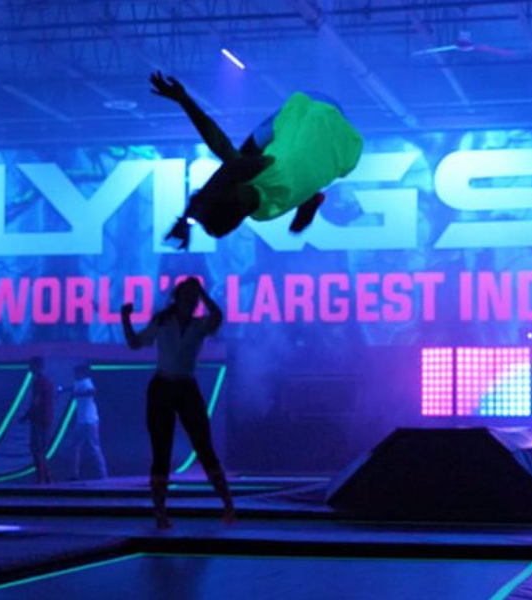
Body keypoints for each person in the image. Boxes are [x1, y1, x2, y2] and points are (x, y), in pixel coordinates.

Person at [149, 71, 364, 249]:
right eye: (229, 188)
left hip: (345, 140)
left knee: (264, 166)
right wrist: (184, 99)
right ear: (234, 195)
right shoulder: (264, 171)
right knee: (246, 154)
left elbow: (225, 165)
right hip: (316, 106)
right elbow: (225, 160)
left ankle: (309, 198)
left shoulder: (264, 214)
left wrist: (304, 213)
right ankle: (309, 199)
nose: (230, 183)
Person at [120, 277, 234, 529]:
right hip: (162, 387)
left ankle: (227, 503)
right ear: (178, 298)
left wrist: (202, 292)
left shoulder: (199, 325)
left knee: (204, 446)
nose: (191, 303)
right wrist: (125, 318)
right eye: (188, 297)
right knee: (162, 450)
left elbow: (217, 316)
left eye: (194, 299)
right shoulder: (162, 322)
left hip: (186, 386)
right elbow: (134, 343)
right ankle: (160, 511)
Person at [61, 363, 108, 480]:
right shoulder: (79, 382)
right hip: (82, 421)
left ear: (81, 373)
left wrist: (77, 394)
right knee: (76, 446)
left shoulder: (87, 381)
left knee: (94, 447)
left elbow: (92, 391)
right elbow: (74, 387)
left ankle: (103, 474)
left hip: (89, 420)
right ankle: (75, 474)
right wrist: (63, 389)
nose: (74, 375)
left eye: (76, 373)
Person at [21, 356, 53, 484]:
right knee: (41, 450)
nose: (28, 367)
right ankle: (47, 479)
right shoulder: (47, 381)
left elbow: (36, 401)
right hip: (46, 418)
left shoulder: (39, 381)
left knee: (36, 450)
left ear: (35, 366)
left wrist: (26, 415)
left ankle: (40, 480)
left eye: (30, 365)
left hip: (39, 419)